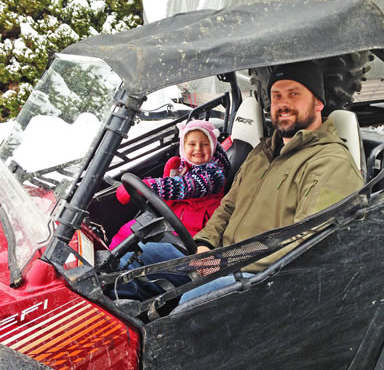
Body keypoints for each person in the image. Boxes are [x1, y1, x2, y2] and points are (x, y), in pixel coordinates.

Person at [115, 60, 364, 302]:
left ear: (318, 103)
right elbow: (228, 206)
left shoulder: (331, 162)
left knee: (193, 302)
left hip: (265, 278)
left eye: (294, 94)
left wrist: (223, 262)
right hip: (222, 259)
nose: (283, 103)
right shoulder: (262, 152)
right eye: (276, 96)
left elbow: (305, 244)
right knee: (133, 260)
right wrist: (205, 244)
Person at [109, 119, 230, 250]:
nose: (198, 148)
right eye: (192, 144)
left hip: (195, 233)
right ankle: (110, 258)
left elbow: (188, 186)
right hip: (175, 221)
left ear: (213, 147)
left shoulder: (214, 174)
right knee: (129, 231)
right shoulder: (185, 166)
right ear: (183, 147)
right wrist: (169, 176)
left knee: (138, 244)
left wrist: (152, 185)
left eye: (205, 144)